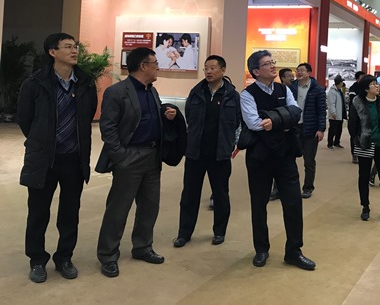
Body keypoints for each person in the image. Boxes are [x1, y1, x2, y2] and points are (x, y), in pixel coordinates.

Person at [16, 33, 98, 283]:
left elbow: (87, 115)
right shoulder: (35, 83)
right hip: (44, 159)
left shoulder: (85, 83)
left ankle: (64, 258)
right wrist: (42, 141)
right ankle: (37, 260)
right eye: (68, 47)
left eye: (75, 47)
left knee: (70, 212)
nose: (74, 51)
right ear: (53, 52)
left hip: (74, 158)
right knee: (38, 213)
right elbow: (25, 119)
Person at [95, 47, 176, 278]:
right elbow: (108, 127)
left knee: (150, 206)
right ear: (143, 66)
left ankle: (142, 247)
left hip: (152, 155)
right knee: (118, 208)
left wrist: (167, 115)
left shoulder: (152, 91)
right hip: (129, 156)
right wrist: (120, 156)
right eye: (155, 63)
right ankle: (108, 255)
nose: (158, 67)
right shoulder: (117, 92)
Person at [241, 50, 316, 270]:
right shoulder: (247, 94)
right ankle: (261, 249)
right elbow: (254, 123)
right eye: (267, 64)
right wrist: (283, 119)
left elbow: (296, 113)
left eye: (272, 62)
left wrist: (272, 120)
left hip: (285, 155)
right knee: (259, 204)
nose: (273, 66)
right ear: (256, 71)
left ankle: (294, 251)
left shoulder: (284, 89)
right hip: (259, 157)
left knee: (293, 203)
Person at [173, 55, 241, 248]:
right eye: (206, 68)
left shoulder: (232, 95)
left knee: (220, 194)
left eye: (212, 68)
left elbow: (238, 122)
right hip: (195, 152)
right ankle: (184, 233)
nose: (208, 72)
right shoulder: (196, 92)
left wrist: (233, 144)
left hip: (220, 154)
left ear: (223, 70)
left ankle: (219, 232)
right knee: (189, 195)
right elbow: (189, 118)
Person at [348, 75, 380, 222]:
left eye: (377, 83)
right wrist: (358, 140)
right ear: (366, 88)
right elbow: (352, 125)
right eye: (373, 84)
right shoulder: (357, 102)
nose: (377, 86)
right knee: (364, 176)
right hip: (365, 144)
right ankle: (365, 206)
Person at [289, 63, 327, 199]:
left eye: (302, 70)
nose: (299, 73)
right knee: (286, 159)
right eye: (297, 70)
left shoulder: (317, 89)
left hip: (310, 129)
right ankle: (281, 188)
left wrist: (321, 129)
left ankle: (308, 188)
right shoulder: (291, 88)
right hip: (293, 128)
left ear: (309, 73)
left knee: (309, 161)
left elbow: (321, 111)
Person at [270, 68, 295, 201]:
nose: (292, 78)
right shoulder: (276, 91)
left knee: (288, 163)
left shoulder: (293, 90)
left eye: (292, 75)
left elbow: (295, 110)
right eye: (289, 76)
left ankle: (285, 188)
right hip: (275, 131)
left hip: (291, 131)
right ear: (282, 78)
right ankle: (276, 188)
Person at [348, 71, 366, 164]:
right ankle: (354, 154)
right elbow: (353, 100)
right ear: (357, 78)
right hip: (354, 114)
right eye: (362, 77)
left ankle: (362, 153)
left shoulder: (366, 88)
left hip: (364, 115)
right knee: (354, 134)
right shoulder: (353, 88)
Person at [326, 75, 346, 149]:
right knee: (332, 129)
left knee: (339, 129)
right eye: (342, 82)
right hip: (334, 115)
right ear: (339, 82)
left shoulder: (339, 91)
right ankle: (330, 143)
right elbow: (331, 104)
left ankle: (337, 142)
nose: (342, 83)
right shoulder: (332, 92)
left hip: (340, 114)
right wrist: (333, 113)